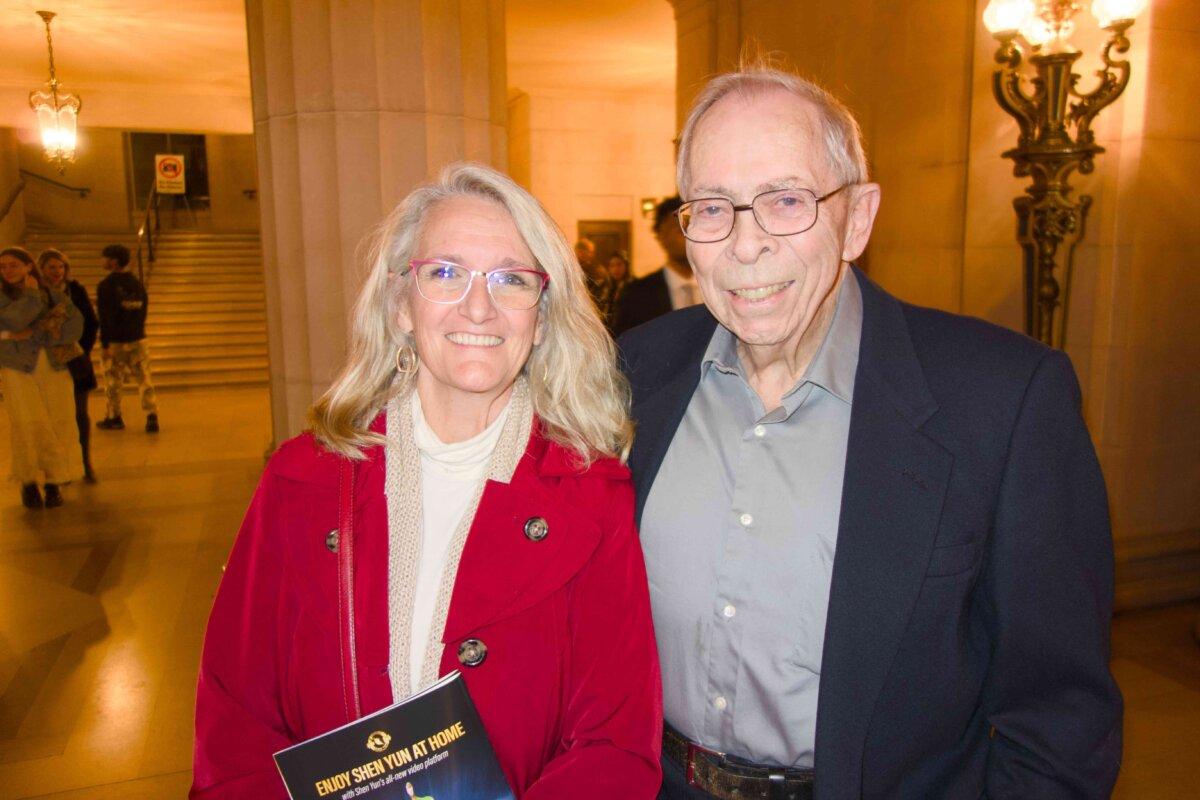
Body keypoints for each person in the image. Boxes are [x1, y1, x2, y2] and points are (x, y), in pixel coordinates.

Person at [618, 67, 1121, 799]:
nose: (746, 245)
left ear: (857, 217)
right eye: (714, 207)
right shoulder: (635, 370)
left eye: (786, 200)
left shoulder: (1002, 401)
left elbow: (1061, 720)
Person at [192, 164, 662, 799]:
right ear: (400, 306)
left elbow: (616, 742)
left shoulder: (593, 496)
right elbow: (234, 718)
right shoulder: (302, 478)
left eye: (512, 279)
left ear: (542, 318)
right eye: (445, 273)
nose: (478, 306)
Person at [0, 246, 84, 508]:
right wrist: (32, 296)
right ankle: (28, 483)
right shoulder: (8, 296)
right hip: (16, 367)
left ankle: (53, 481)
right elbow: (14, 321)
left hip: (52, 366)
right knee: (28, 424)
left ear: (28, 266)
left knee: (59, 421)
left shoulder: (53, 294)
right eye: (2, 267)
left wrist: (36, 334)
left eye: (14, 264)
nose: (7, 271)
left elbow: (74, 325)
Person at [39, 249, 100, 482]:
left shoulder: (76, 291)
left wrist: (80, 349)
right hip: (47, 363)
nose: (57, 272)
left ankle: (84, 461)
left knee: (79, 414)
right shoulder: (37, 294)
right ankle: (59, 466)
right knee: (53, 415)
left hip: (74, 360)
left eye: (60, 267)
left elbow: (91, 322)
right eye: (51, 267)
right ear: (42, 269)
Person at [612, 196, 699, 336]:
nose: (685, 233)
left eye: (690, 225)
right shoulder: (637, 295)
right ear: (660, 235)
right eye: (677, 227)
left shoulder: (719, 289)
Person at [95, 243, 159, 433]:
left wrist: (105, 342)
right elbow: (142, 311)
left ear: (113, 261)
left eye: (105, 257)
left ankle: (114, 417)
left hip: (115, 341)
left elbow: (105, 317)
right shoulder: (137, 284)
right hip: (138, 339)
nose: (102, 261)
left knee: (113, 380)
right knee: (144, 378)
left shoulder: (106, 286)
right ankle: (151, 415)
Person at [575, 236, 615, 322]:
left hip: (593, 314)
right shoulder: (571, 268)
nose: (592, 254)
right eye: (590, 252)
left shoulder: (597, 270)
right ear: (580, 252)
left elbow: (603, 296)